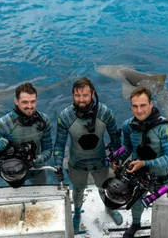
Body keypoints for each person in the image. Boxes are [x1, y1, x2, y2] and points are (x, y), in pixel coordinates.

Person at [54, 77, 122, 234]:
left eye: (85, 95)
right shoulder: (65, 116)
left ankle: (109, 209)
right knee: (78, 190)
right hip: (76, 164)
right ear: (72, 95)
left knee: (103, 187)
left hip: (100, 163)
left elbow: (116, 138)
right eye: (77, 96)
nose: (81, 100)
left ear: (93, 94)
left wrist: (117, 159)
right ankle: (77, 213)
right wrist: (58, 163)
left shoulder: (105, 113)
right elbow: (59, 144)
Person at [112, 86, 168, 238]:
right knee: (136, 204)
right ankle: (136, 223)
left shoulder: (166, 128)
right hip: (138, 176)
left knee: (163, 208)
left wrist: (144, 163)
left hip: (162, 179)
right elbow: (126, 148)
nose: (139, 110)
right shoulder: (128, 125)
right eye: (135, 106)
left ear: (151, 104)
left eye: (143, 105)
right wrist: (119, 158)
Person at [0, 83, 52, 188]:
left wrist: (41, 158)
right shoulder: (3, 124)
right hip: (12, 172)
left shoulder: (44, 120)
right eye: (25, 102)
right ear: (16, 101)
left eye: (33, 102)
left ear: (37, 100)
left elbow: (48, 148)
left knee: (41, 195)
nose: (30, 106)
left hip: (37, 169)